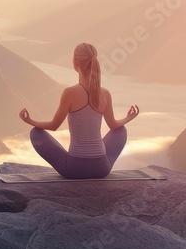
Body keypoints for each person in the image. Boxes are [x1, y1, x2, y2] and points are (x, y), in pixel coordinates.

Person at [19, 43, 140, 179]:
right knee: (121, 130)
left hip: (74, 169)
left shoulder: (70, 93)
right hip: (101, 169)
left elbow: (54, 126)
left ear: (75, 63)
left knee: (36, 133)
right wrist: (128, 118)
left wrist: (29, 120)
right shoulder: (105, 93)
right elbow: (113, 125)